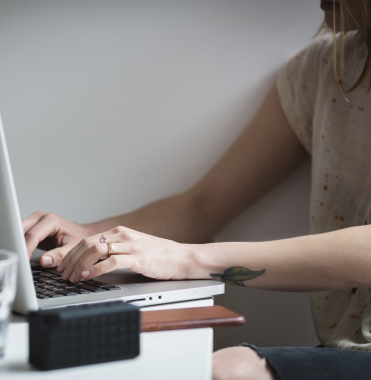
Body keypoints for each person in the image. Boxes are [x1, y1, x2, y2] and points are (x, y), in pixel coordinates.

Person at [21, 1, 371, 379]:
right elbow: (203, 207)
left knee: (226, 370)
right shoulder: (319, 69)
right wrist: (89, 237)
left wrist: (190, 260)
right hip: (346, 351)